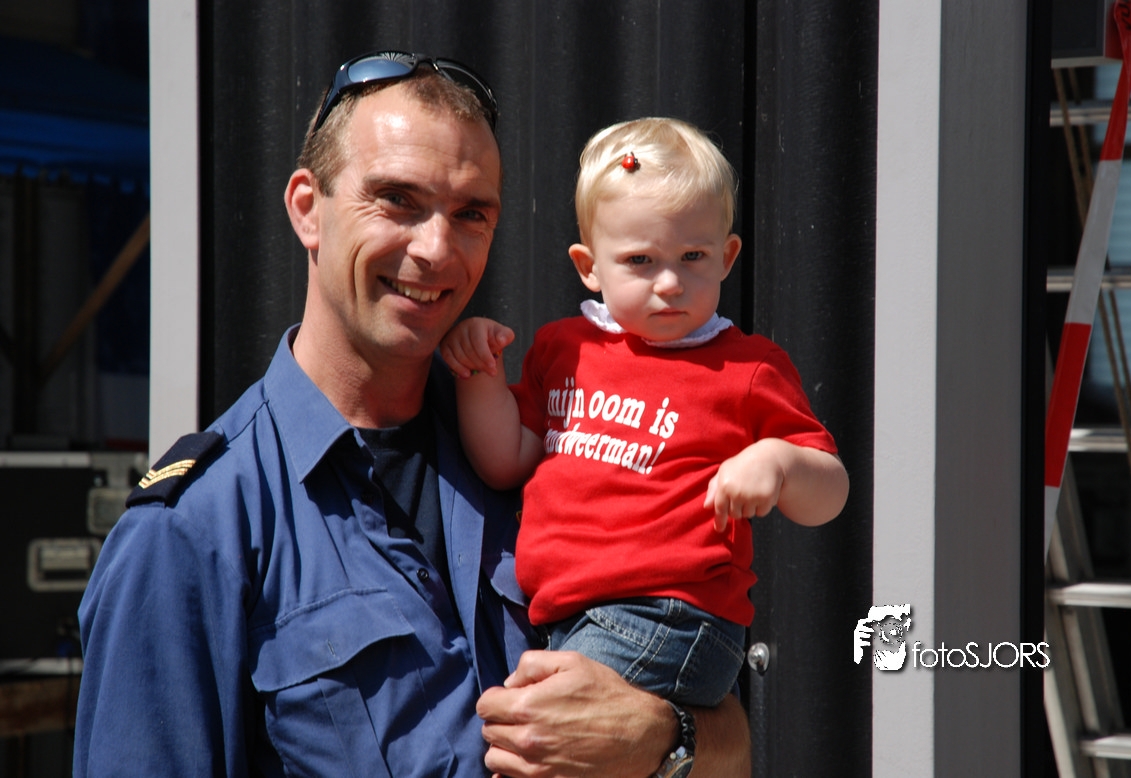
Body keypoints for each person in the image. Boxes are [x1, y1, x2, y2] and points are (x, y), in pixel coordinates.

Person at [73, 54, 749, 777]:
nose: (435, 249)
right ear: (307, 208)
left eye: (470, 213)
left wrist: (663, 738)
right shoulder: (191, 531)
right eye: (396, 200)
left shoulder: (546, 446)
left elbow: (735, 744)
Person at [440, 117, 850, 709]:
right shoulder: (564, 348)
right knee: (528, 732)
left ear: (728, 256)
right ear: (589, 266)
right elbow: (508, 460)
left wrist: (780, 462)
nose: (670, 282)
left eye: (692, 256)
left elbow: (831, 491)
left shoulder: (746, 367)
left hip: (672, 614)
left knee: (539, 729)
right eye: (640, 260)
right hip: (565, 617)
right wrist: (478, 374)